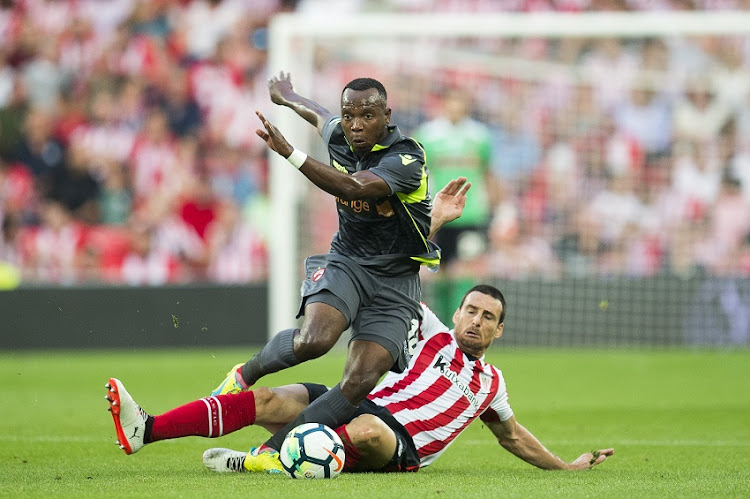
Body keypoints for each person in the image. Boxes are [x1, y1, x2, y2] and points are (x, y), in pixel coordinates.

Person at [105, 284, 614, 474]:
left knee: (368, 433)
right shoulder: (427, 329)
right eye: (470, 310)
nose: (475, 321)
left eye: (487, 317)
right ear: (456, 313)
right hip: (351, 401)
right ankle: (146, 428)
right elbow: (391, 285)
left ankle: (260, 464)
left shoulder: (492, 385)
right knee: (264, 399)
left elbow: (513, 436)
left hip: (399, 442)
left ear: (499, 330)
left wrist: (566, 467)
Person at [208, 71, 443, 461]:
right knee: (313, 341)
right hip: (348, 260)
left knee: (358, 381)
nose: (355, 125)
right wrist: (287, 96)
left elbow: (353, 187)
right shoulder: (340, 133)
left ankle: (271, 453)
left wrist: (290, 153)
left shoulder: (406, 157)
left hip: (396, 279)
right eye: (349, 115)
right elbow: (320, 115)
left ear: (387, 114)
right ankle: (242, 375)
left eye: (367, 116)